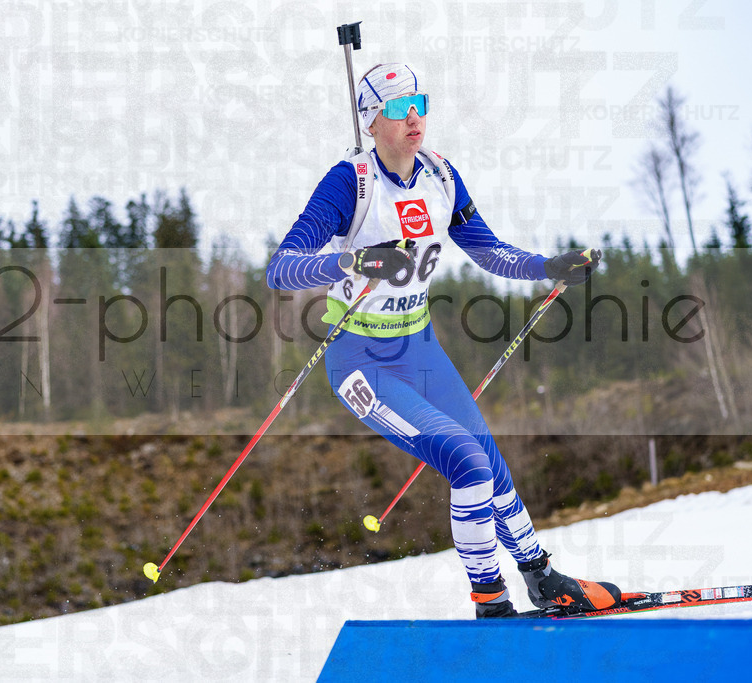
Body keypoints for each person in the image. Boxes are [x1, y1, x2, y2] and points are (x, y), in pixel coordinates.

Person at [265, 63, 620, 618]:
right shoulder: (349, 182)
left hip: (419, 348)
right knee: (465, 460)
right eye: (399, 107)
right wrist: (352, 260)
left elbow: (487, 249)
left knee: (491, 461)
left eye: (420, 103)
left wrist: (548, 265)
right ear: (371, 120)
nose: (415, 117)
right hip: (361, 360)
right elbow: (281, 269)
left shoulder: (440, 174)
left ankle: (541, 576)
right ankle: (490, 601)